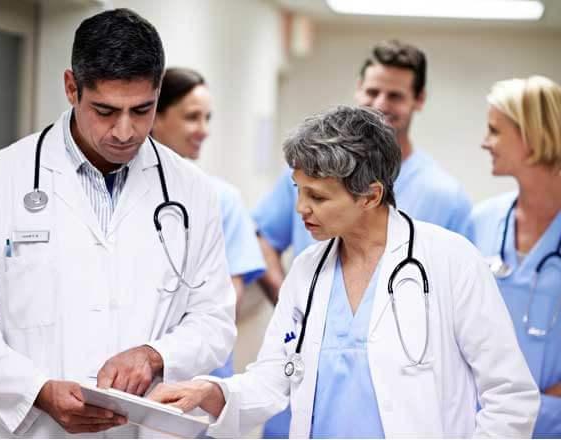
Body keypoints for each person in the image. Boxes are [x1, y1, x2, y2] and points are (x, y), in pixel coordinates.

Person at [0, 9, 236, 438]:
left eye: (142, 110)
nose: (125, 131)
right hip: (39, 430)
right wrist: (36, 390)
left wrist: (153, 355)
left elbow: (214, 319)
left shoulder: (190, 191)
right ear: (72, 87)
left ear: (158, 93)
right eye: (105, 110)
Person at [148, 105, 539, 438]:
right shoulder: (308, 271)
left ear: (371, 195)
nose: (301, 208)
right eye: (298, 189)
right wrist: (209, 392)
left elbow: (509, 393)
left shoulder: (451, 261)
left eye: (317, 196)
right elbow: (272, 378)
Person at [254, 38, 473, 438]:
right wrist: (290, 299)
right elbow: (265, 378)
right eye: (372, 90)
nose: (380, 102)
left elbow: (493, 376)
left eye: (395, 94)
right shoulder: (312, 182)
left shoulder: (447, 205)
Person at [152, 67, 265, 379]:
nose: (203, 129)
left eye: (207, 118)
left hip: (200, 373)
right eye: (191, 117)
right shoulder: (120, 196)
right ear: (155, 116)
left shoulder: (221, 199)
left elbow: (229, 302)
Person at [466, 75, 561, 437]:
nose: (484, 142)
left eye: (494, 131)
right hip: (487, 420)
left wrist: (543, 403)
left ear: (532, 135)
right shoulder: (482, 221)